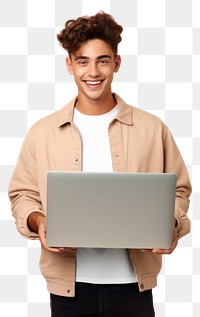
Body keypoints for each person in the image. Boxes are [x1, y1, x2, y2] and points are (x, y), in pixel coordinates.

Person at [8, 12, 192, 317]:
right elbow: (22, 195)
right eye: (82, 61)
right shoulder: (42, 133)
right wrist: (39, 222)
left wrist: (169, 223)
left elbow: (180, 191)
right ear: (69, 65)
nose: (93, 71)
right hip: (70, 288)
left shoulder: (152, 128)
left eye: (103, 60)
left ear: (116, 63)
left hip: (134, 286)